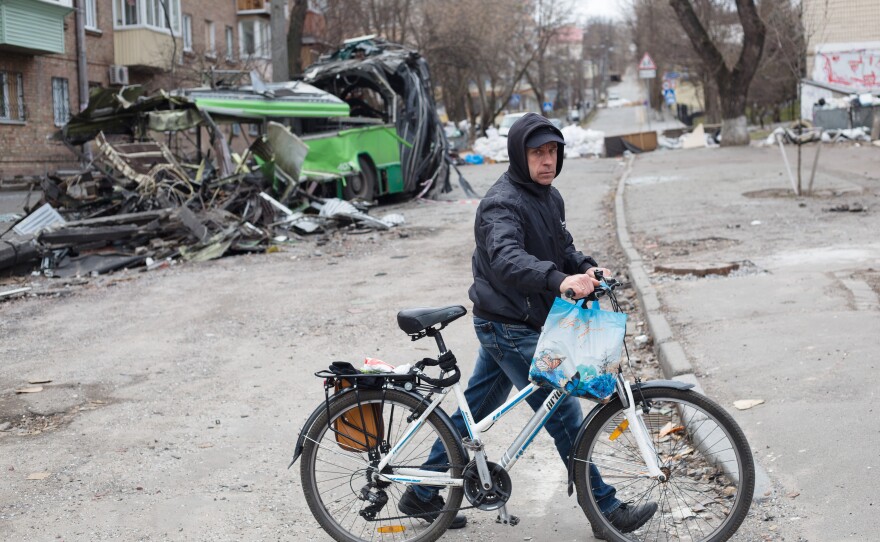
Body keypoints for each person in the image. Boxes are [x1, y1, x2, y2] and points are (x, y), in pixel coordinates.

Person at [397, 113, 657, 537]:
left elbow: (563, 247)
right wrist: (558, 281)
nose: (547, 160)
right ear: (520, 155)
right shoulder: (501, 204)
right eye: (537, 152)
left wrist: (586, 268)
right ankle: (605, 509)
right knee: (564, 412)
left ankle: (423, 491)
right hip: (508, 326)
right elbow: (507, 258)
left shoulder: (549, 197)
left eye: (553, 151)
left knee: (479, 406)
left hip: (521, 320)